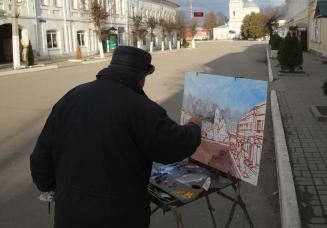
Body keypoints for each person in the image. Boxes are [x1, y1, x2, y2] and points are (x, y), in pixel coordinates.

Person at [30, 46, 202, 228]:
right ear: (141, 78)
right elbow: (173, 146)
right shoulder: (141, 108)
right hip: (120, 215)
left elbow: (40, 158)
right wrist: (194, 127)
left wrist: (54, 188)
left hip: (69, 214)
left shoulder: (71, 97)